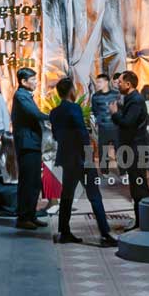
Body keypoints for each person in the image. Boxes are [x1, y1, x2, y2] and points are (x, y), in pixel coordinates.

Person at [49, 77, 117, 247]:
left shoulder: (54, 113)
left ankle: (64, 231)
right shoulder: (74, 108)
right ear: (71, 91)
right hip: (81, 158)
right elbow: (82, 134)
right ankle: (105, 234)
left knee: (67, 196)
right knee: (94, 195)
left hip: (67, 158)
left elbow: (56, 136)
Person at [110, 71, 149, 227]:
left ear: (128, 84)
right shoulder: (132, 99)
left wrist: (115, 114)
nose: (118, 84)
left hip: (137, 149)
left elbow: (128, 123)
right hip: (134, 148)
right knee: (136, 186)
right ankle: (142, 221)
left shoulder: (135, 100)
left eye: (120, 82)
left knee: (139, 187)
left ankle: (145, 222)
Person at [11, 66, 49, 229]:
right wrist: (56, 116)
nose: (36, 82)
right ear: (23, 81)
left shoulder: (25, 95)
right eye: (32, 80)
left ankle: (30, 215)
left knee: (33, 181)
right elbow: (35, 114)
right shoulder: (21, 96)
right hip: (27, 144)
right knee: (27, 181)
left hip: (32, 143)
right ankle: (23, 217)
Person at [89, 73, 120, 172]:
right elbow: (95, 110)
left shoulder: (116, 94)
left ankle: (124, 171)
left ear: (106, 82)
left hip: (116, 127)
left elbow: (120, 109)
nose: (98, 84)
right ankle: (104, 171)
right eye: (97, 82)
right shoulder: (95, 97)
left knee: (119, 150)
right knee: (103, 151)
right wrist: (99, 122)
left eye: (100, 82)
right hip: (103, 128)